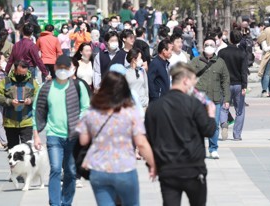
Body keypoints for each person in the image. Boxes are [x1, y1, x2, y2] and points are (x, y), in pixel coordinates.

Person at [76, 71, 156, 206]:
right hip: (124, 168)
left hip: (99, 169)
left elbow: (83, 140)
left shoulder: (91, 112)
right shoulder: (130, 113)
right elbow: (141, 143)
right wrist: (153, 164)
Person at [145, 62, 216, 206]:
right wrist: (211, 114)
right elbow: (208, 130)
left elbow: (149, 139)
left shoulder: (154, 107)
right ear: (185, 81)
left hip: (167, 169)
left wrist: (151, 165)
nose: (194, 86)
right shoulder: (194, 104)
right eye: (193, 82)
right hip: (193, 169)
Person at [32, 55, 91, 206]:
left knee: (71, 171)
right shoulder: (46, 88)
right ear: (55, 68)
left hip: (73, 136)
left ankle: (66, 202)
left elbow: (86, 107)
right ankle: (55, 203)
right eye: (60, 68)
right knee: (56, 169)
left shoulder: (78, 86)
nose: (63, 71)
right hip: (54, 135)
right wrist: (36, 135)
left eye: (66, 68)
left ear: (71, 69)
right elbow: (37, 110)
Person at [190, 37, 230, 159]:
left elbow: (225, 81)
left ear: (215, 47)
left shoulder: (220, 62)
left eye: (211, 45)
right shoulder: (195, 61)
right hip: (199, 99)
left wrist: (227, 99)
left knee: (214, 125)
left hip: (215, 99)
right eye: (207, 44)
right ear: (203, 46)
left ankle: (213, 148)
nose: (209, 47)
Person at [0, 60, 38, 149]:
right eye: (20, 73)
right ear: (15, 70)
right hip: (10, 122)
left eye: (24, 74)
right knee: (13, 151)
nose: (22, 76)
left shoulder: (32, 82)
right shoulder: (6, 81)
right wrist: (10, 102)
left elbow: (39, 96)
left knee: (26, 152)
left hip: (27, 121)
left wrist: (30, 100)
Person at [217, 29, 248, 141]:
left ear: (230, 39)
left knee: (224, 107)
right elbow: (244, 71)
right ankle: (237, 134)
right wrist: (245, 86)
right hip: (239, 84)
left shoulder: (221, 52)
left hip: (225, 84)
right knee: (239, 110)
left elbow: (218, 69)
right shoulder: (242, 53)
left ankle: (224, 124)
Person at [0, 53, 7, 150]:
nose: (5, 62)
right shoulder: (0, 73)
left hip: (1, 100)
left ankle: (5, 142)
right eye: (3, 60)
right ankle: (5, 142)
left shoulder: (4, 72)